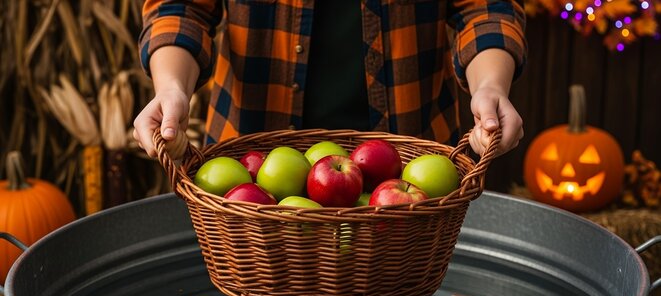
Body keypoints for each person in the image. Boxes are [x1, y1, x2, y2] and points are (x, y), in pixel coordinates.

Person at [133, 0, 526, 158]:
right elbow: (181, 9)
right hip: (248, 181)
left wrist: (490, 86)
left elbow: (485, 10)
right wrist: (171, 88)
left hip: (412, 178)